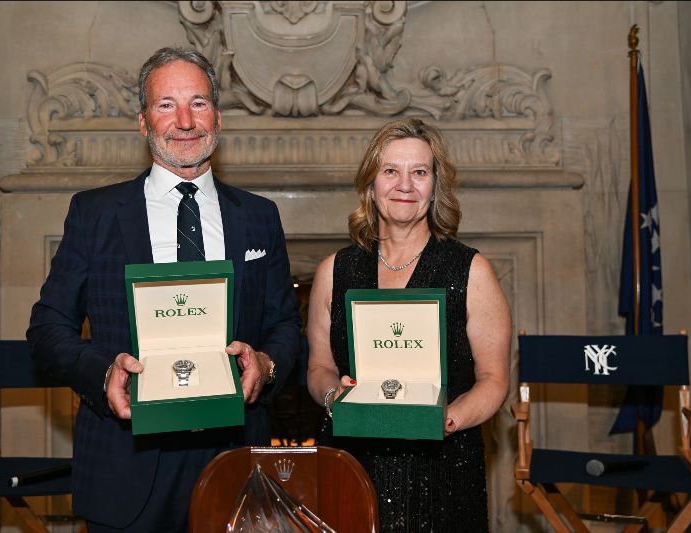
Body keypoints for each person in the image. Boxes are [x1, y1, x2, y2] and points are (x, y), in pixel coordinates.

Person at [26, 47, 301, 532]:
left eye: (198, 103)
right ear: (143, 122)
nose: (185, 121)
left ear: (217, 117)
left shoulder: (260, 216)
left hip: (236, 461)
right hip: (126, 465)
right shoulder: (94, 214)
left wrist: (266, 363)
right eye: (166, 104)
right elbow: (48, 329)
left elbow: (285, 325)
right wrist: (104, 374)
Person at [306, 118, 511, 531]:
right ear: (371, 184)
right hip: (352, 463)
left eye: (419, 172)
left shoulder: (471, 271)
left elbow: (494, 379)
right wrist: (333, 396)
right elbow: (319, 367)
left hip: (442, 470)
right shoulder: (334, 271)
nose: (404, 185)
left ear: (435, 187)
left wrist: (447, 419)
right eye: (390, 171)